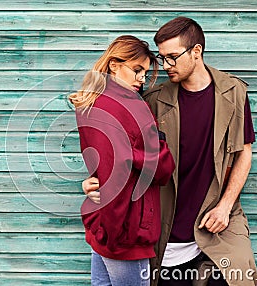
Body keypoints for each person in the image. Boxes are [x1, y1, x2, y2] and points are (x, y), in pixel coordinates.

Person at [82, 17, 257, 285]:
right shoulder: (151, 100)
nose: (165, 66)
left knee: (239, 277)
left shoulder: (233, 92)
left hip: (215, 225)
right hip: (163, 229)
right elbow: (119, 151)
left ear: (196, 51)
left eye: (173, 57)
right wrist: (96, 180)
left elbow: (243, 153)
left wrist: (225, 207)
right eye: (163, 58)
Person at [70, 35, 175, 286]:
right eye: (137, 70)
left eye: (145, 72)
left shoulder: (91, 103)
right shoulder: (130, 108)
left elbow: (102, 166)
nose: (141, 78)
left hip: (103, 225)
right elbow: (163, 168)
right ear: (114, 65)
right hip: (125, 231)